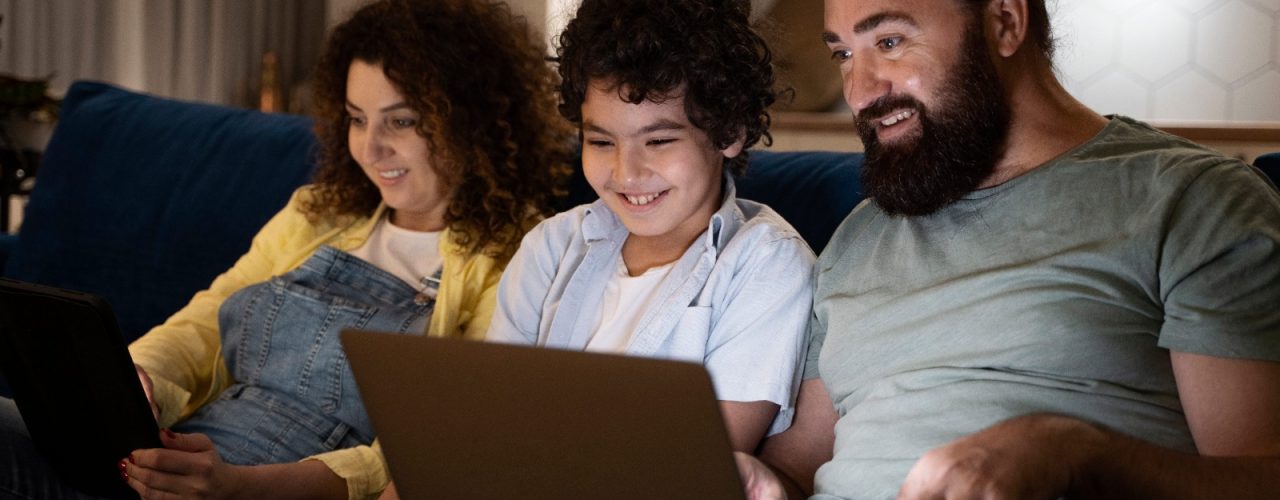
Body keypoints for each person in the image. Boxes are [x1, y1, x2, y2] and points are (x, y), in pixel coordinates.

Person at [0, 0, 571, 498]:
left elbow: (424, 451)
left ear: (469, 121)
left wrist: (238, 489)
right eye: (355, 119)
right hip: (184, 459)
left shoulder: (517, 253)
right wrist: (134, 382)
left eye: (401, 121)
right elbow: (205, 321)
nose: (371, 149)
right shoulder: (315, 211)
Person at [737, 0, 1280, 499]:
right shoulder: (859, 234)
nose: (859, 92)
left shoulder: (1192, 201)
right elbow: (803, 461)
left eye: (890, 43)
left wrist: (1078, 453)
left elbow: (1261, 476)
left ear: (1005, 23)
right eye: (842, 54)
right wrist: (763, 478)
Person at [485, 0, 813, 456]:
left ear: (729, 132)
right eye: (600, 141)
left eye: (658, 141)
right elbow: (489, 415)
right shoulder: (551, 246)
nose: (626, 172)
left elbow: (699, 464)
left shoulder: (766, 265)